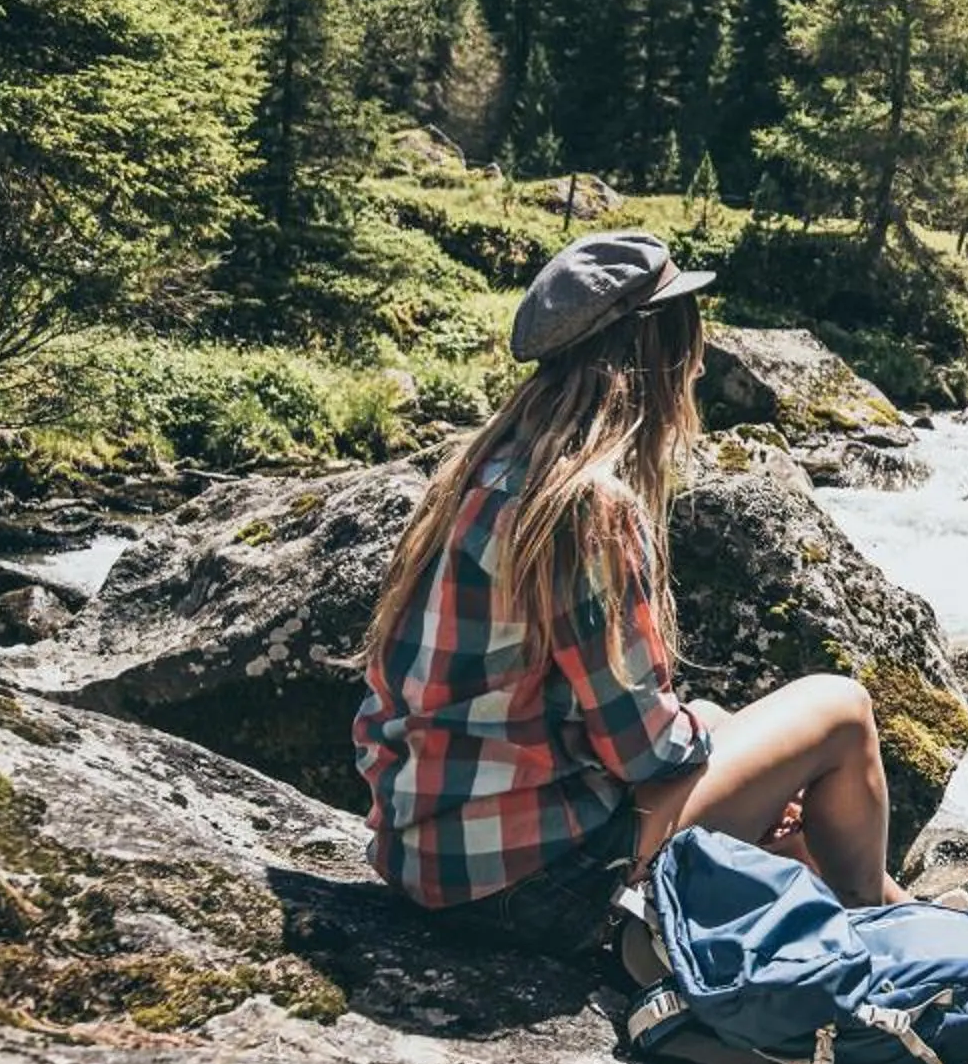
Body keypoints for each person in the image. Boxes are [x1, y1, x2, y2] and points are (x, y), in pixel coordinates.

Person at [356, 229, 910, 956]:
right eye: (692, 339)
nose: (703, 360)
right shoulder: (587, 508)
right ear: (658, 354)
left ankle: (892, 911)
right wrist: (752, 774)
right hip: (527, 888)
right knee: (842, 710)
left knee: (719, 724)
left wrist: (736, 757)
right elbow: (644, 751)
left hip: (418, 859)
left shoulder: (477, 470)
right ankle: (888, 929)